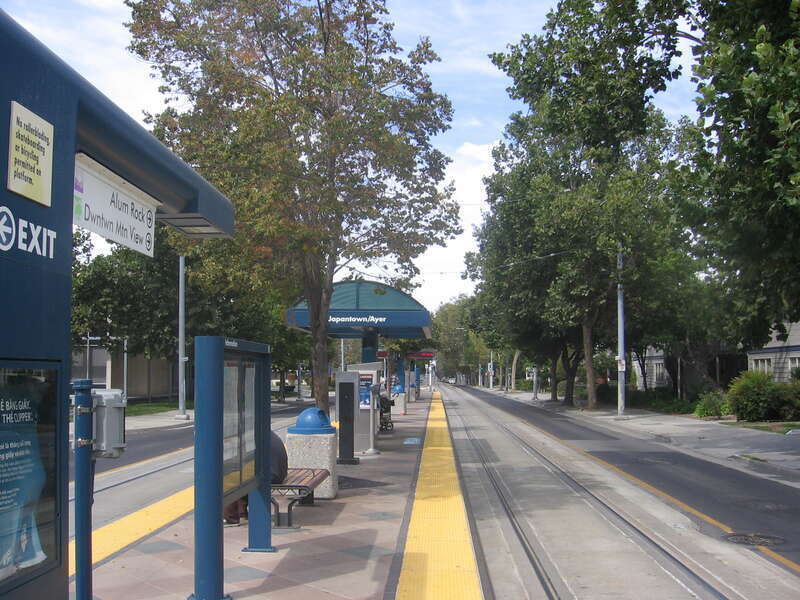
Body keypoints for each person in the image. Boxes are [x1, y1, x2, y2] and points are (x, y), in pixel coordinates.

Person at [224, 431, 288, 525]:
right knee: (242, 475)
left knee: (228, 479)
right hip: (279, 473)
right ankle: (241, 511)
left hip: (271, 475)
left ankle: (230, 518)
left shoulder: (252, 437)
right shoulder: (264, 431)